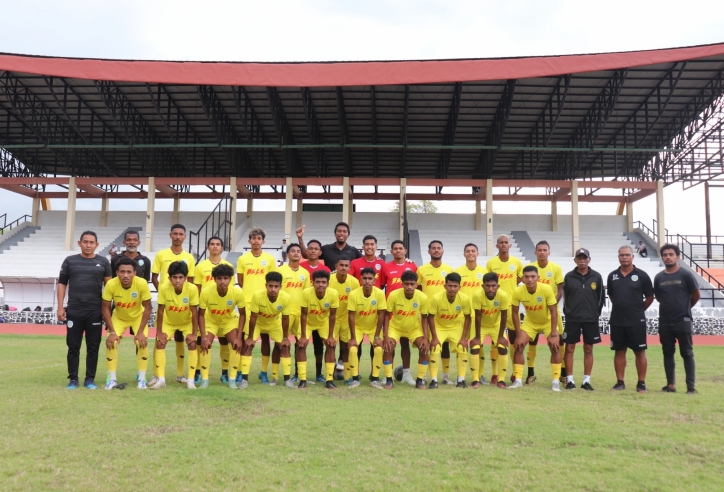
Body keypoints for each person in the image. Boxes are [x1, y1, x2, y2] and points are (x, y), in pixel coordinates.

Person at [57, 231, 112, 390]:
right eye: (85, 242)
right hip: (74, 310)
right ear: (79, 243)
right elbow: (62, 284)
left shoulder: (103, 262)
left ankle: (90, 380)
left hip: (95, 311)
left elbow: (109, 288)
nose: (88, 245)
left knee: (93, 346)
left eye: (91, 242)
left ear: (97, 244)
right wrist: (60, 307)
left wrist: (107, 310)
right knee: (73, 346)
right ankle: (73, 379)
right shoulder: (70, 261)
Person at [151, 224, 196, 386]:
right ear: (170, 235)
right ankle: (157, 376)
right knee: (160, 340)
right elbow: (154, 276)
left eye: (181, 234)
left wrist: (181, 294)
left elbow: (190, 280)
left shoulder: (189, 257)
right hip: (167, 304)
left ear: (184, 236)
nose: (178, 236)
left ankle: (181, 374)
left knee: (181, 339)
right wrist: (164, 293)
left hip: (183, 306)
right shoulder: (161, 254)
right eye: (175, 234)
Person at [607, 245, 654, 393]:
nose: (624, 257)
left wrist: (638, 310)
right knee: (619, 351)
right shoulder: (612, 276)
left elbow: (650, 297)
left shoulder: (642, 275)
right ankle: (620, 382)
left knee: (639, 352)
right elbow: (612, 296)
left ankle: (641, 383)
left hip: (636, 321)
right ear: (618, 257)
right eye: (622, 255)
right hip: (617, 320)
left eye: (627, 255)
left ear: (633, 256)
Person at [654, 243, 700, 395]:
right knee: (667, 352)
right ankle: (670, 385)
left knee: (687, 353)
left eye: (671, 254)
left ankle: (691, 387)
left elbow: (696, 295)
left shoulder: (686, 275)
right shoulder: (659, 277)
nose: (667, 257)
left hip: (683, 321)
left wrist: (685, 308)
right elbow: (659, 297)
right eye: (665, 255)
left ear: (677, 257)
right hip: (665, 322)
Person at [101, 256, 153, 389]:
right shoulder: (111, 284)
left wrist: (140, 332)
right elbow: (105, 307)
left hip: (137, 317)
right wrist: (112, 332)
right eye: (122, 272)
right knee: (111, 342)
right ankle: (111, 378)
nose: (125, 275)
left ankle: (141, 378)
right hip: (119, 317)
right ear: (117, 273)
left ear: (134, 273)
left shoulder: (141, 284)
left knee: (141, 343)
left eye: (129, 272)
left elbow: (148, 307)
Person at [150, 261, 202, 390]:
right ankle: (161, 379)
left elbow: (195, 312)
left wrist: (194, 333)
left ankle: (190, 380)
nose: (177, 280)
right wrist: (159, 332)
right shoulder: (163, 287)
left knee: (192, 343)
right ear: (169, 278)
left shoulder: (192, 288)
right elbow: (161, 310)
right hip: (169, 321)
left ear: (185, 278)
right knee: (160, 343)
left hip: (186, 322)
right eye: (175, 277)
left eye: (180, 277)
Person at [236, 228, 277, 385]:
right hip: (248, 301)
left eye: (259, 238)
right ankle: (240, 371)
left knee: (266, 338)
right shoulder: (243, 259)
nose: (256, 241)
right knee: (248, 337)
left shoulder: (270, 259)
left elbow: (273, 280)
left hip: (266, 302)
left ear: (263, 241)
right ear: (249, 241)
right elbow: (241, 281)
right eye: (253, 238)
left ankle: (264, 372)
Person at [510, 265, 561, 391]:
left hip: (547, 322)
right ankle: (518, 380)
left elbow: (553, 311)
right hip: (530, 322)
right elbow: (514, 313)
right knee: (519, 345)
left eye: (533, 276)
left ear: (538, 277)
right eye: (526, 277)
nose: (530, 279)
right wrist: (518, 334)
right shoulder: (517, 291)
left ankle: (555, 381)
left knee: (554, 347)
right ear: (522, 278)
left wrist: (554, 332)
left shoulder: (546, 289)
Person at [562, 248, 605, 390]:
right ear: (575, 260)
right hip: (572, 318)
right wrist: (568, 312)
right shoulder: (569, 277)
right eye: (579, 258)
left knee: (588, 348)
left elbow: (600, 298)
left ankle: (586, 381)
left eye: (584, 258)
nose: (582, 261)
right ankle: (570, 380)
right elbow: (566, 297)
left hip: (590, 319)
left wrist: (595, 313)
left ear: (589, 260)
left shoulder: (596, 277)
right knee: (569, 348)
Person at [240, 272, 293, 388]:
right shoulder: (257, 296)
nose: (273, 289)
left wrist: (285, 338)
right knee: (248, 346)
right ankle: (244, 380)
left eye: (276, 286)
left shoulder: (285, 298)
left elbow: (285, 319)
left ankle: (285, 380)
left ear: (280, 287)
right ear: (266, 285)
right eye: (270, 286)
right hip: (258, 323)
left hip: (274, 324)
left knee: (285, 347)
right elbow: (253, 318)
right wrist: (250, 338)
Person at [193, 236, 234, 384]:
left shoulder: (228, 266)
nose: (215, 247)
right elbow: (196, 288)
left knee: (224, 341)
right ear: (207, 247)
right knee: (201, 341)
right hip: (207, 310)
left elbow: (231, 290)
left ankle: (224, 372)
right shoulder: (200, 266)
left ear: (222, 247)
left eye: (218, 244)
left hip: (224, 311)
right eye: (212, 244)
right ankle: (198, 372)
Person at [197, 263, 245, 390]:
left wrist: (239, 337)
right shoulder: (206, 292)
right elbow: (200, 315)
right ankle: (205, 380)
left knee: (236, 345)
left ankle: (232, 380)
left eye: (225, 278)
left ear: (230, 279)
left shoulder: (237, 292)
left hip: (229, 321)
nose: (222, 281)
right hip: (210, 320)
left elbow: (243, 314)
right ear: (214, 279)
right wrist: (203, 338)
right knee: (205, 345)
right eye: (219, 278)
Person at [524, 240, 565, 385]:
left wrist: (552, 303)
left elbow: (560, 289)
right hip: (534, 312)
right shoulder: (530, 268)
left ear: (549, 252)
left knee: (558, 340)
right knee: (531, 341)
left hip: (552, 310)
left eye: (544, 250)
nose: (542, 252)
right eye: (539, 250)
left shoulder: (555, 268)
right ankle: (530, 373)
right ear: (535, 252)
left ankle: (562, 373)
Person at [486, 234, 523, 383]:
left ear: (510, 245)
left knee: (514, 339)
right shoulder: (491, 262)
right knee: (496, 340)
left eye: (506, 242)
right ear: (497, 245)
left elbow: (520, 278)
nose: (503, 245)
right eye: (501, 242)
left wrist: (511, 288)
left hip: (512, 305)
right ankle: (495, 374)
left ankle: (515, 373)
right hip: (496, 305)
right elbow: (488, 282)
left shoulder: (516, 262)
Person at [383, 270, 430, 390]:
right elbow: (387, 315)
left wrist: (425, 337)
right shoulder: (393, 295)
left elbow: (424, 318)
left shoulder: (422, 297)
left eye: (412, 284)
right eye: (406, 284)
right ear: (402, 284)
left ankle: (419, 380)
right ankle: (388, 379)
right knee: (388, 348)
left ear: (416, 284)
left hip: (414, 329)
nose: (409, 287)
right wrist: (386, 336)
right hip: (396, 328)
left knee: (424, 350)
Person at [417, 240, 455, 385]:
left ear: (443, 251)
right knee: (425, 344)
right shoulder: (421, 269)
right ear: (429, 252)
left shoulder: (449, 269)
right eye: (433, 248)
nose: (436, 250)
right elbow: (418, 289)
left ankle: (445, 376)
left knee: (444, 344)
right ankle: (424, 374)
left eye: (439, 248)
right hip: (427, 313)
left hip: (444, 313)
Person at [381, 240, 417, 385]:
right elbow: (382, 285)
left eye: (400, 248)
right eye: (395, 249)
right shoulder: (386, 267)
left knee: (405, 343)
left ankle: (407, 374)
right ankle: (387, 375)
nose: (398, 251)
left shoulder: (412, 265)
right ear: (391, 251)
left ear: (405, 251)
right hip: (391, 311)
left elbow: (416, 286)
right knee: (390, 344)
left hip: (408, 311)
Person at [427, 272, 472, 389]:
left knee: (462, 348)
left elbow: (468, 317)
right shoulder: (436, 298)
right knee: (435, 348)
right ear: (445, 286)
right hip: (439, 326)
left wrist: (463, 338)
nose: (452, 289)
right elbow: (430, 317)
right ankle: (434, 380)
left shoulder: (464, 299)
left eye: (455, 286)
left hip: (455, 326)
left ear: (459, 287)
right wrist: (435, 337)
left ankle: (461, 380)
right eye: (450, 286)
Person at [454, 243, 488, 385]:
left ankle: (480, 375)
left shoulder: (484, 272)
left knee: (478, 345)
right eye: (467, 251)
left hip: (479, 314)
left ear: (477, 254)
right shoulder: (458, 271)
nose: (470, 253)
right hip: (462, 314)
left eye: (473, 251)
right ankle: (460, 375)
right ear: (464, 254)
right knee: (461, 345)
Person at [347, 267, 387, 388]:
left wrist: (377, 336)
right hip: (357, 327)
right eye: (365, 278)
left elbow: (381, 315)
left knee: (379, 349)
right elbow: (351, 316)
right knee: (353, 349)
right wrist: (353, 337)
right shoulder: (353, 294)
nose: (367, 281)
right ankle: (355, 379)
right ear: (360, 280)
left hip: (373, 327)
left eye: (370, 279)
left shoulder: (379, 293)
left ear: (375, 281)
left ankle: (374, 379)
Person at [299, 270, 339, 389]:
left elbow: (332, 316)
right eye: (318, 282)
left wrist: (331, 336)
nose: (320, 284)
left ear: (328, 284)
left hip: (323, 322)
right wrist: (302, 336)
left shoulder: (333, 293)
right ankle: (302, 379)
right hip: (308, 323)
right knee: (301, 345)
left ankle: (329, 379)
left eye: (323, 282)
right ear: (313, 283)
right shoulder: (306, 293)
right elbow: (303, 315)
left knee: (331, 345)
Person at [277, 243, 310, 383]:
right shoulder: (281, 271)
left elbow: (307, 294)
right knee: (281, 344)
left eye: (298, 251)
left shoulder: (305, 273)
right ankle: (277, 375)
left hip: (300, 313)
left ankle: (299, 374)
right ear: (287, 255)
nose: (296, 253)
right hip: (284, 313)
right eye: (293, 251)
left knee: (300, 344)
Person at [471, 272, 510, 389]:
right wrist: (477, 337)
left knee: (503, 348)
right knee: (475, 348)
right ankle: (475, 380)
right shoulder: (477, 295)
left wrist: (501, 336)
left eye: (493, 286)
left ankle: (501, 380)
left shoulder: (503, 295)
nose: (490, 289)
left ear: (498, 286)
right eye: (487, 286)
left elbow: (504, 316)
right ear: (483, 286)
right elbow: (478, 316)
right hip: (480, 326)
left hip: (496, 325)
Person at [329, 256, 360, 383]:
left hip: (347, 320)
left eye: (346, 265)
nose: (343, 268)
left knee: (346, 347)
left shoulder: (354, 282)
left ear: (350, 268)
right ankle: (329, 376)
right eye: (341, 265)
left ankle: (347, 377)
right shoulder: (329, 280)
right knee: (330, 346)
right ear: (336, 266)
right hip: (331, 319)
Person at [296, 221, 362, 269]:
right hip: (329, 284)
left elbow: (364, 263)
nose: (341, 233)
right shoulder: (326, 249)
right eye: (339, 231)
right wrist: (300, 238)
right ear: (335, 234)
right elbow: (306, 255)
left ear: (348, 235)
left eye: (344, 231)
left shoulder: (354, 251)